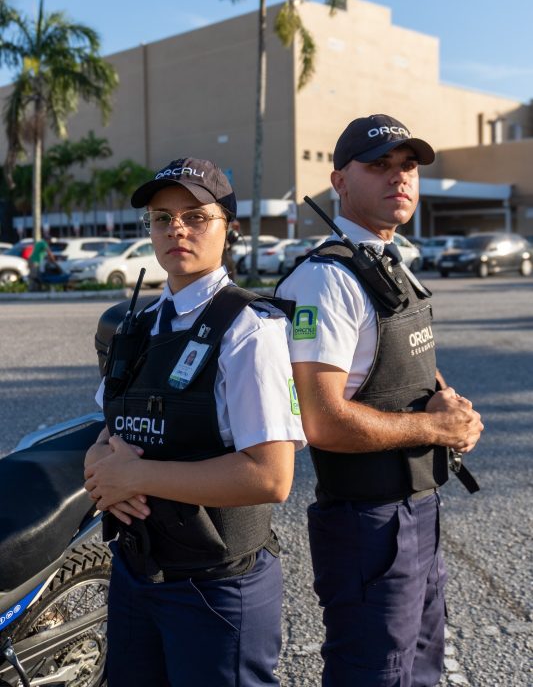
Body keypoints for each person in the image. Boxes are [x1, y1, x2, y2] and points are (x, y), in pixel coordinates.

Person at [276, 114, 483, 687]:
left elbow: (401, 359)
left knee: (420, 669)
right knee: (374, 672)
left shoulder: (389, 265)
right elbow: (323, 421)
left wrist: (453, 407)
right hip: (367, 522)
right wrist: (435, 431)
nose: (399, 178)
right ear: (340, 182)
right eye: (380, 166)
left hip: (417, 508)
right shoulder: (325, 282)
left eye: (408, 166)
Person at [84, 158, 306, 687]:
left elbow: (271, 478)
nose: (176, 229)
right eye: (162, 218)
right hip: (137, 572)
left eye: (195, 216)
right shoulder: (136, 325)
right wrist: (98, 466)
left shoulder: (250, 330)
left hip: (215, 588)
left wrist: (136, 479)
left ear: (228, 228)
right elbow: (106, 429)